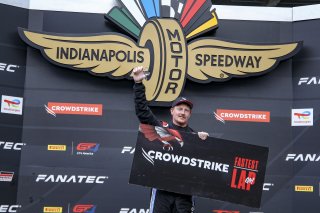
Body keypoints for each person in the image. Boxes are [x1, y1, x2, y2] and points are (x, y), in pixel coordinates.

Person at [132, 66, 209, 213]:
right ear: (172, 111)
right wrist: (138, 84)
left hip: (185, 194)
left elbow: (209, 165)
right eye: (179, 109)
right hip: (162, 191)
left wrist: (204, 142)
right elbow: (142, 111)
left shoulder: (195, 136)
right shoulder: (161, 129)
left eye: (186, 110)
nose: (183, 112)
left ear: (190, 114)